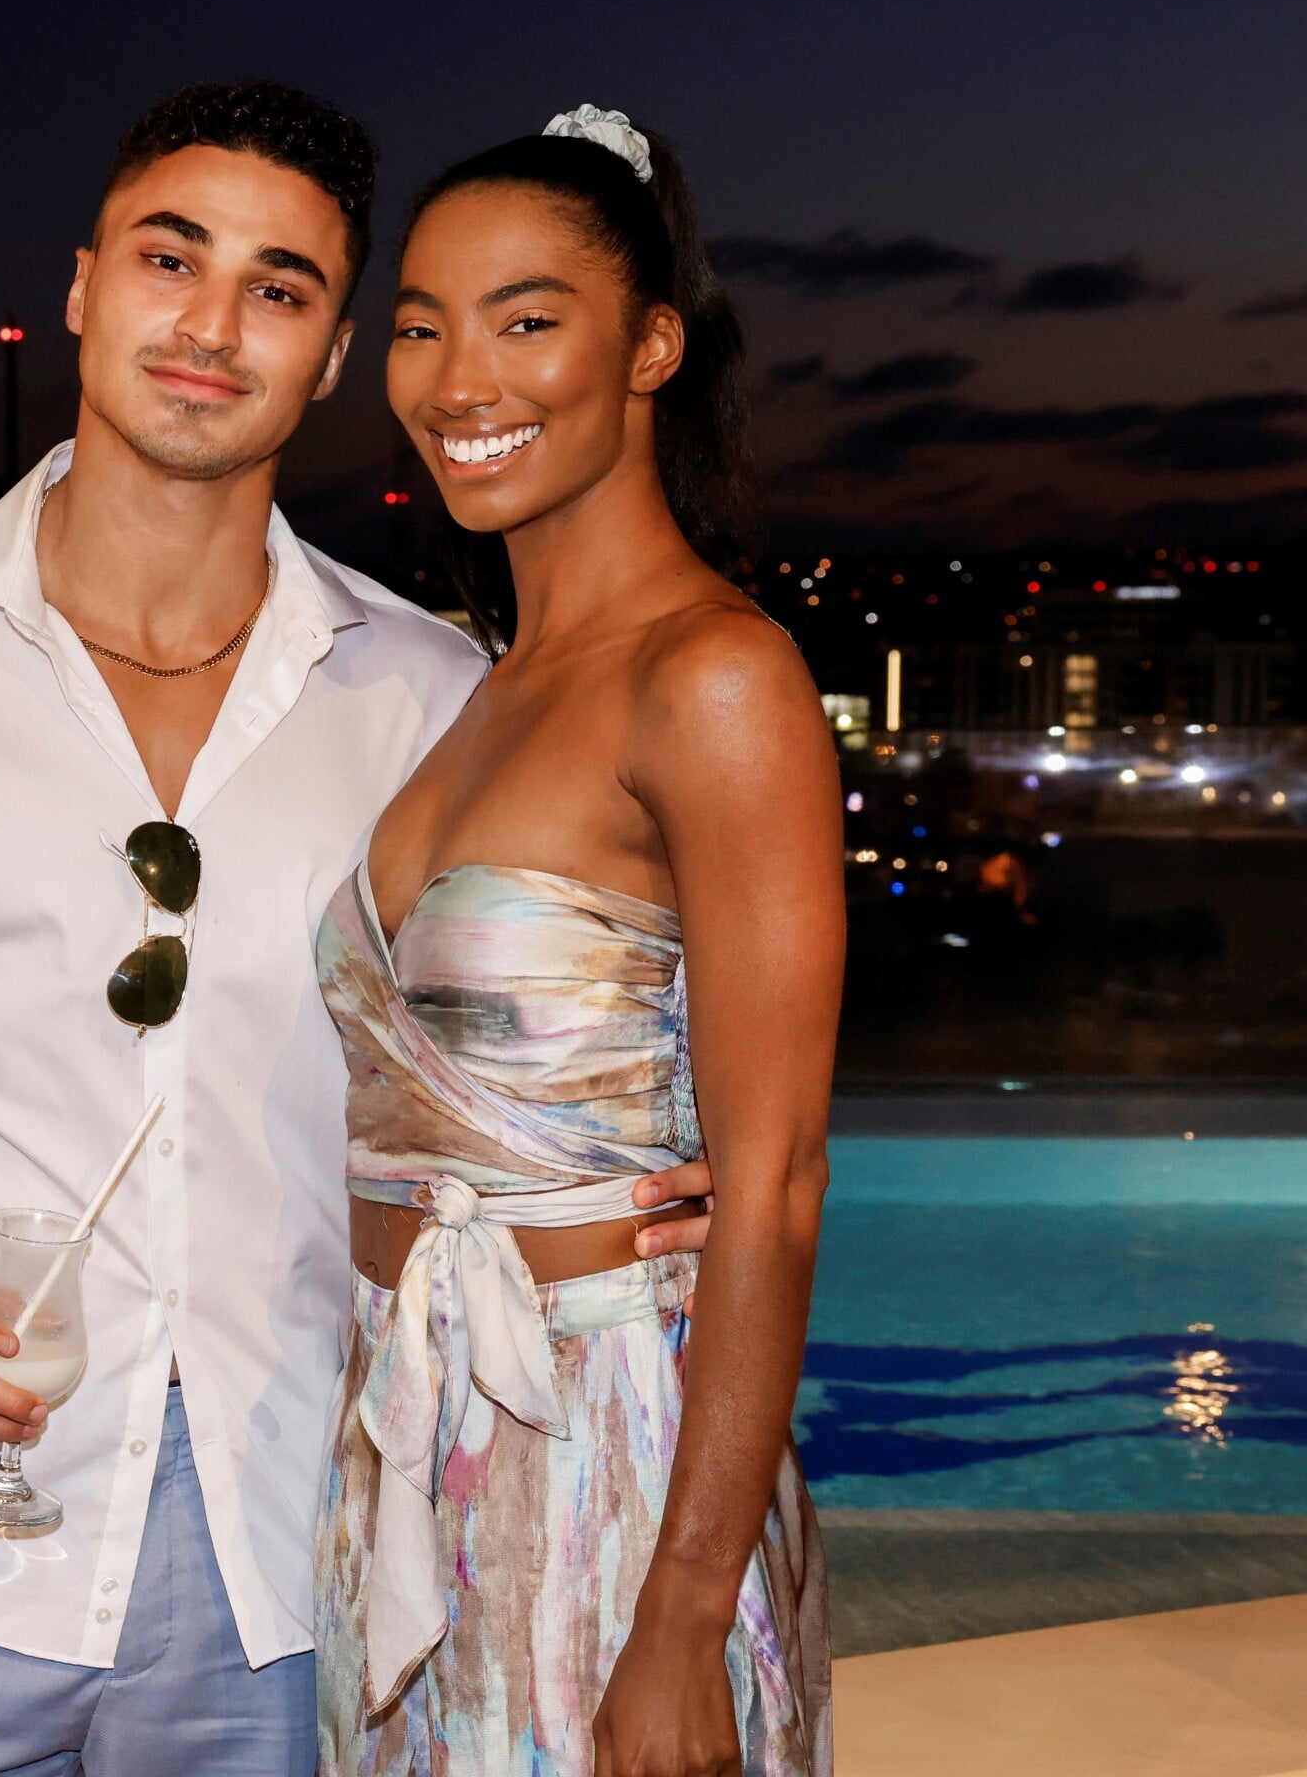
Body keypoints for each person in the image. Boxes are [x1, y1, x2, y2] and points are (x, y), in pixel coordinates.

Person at [0, 82, 724, 1776]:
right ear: (83, 287)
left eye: (279, 288)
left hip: (293, 1554)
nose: (209, 326)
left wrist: (620, 1205)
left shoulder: (431, 700)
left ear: (333, 356)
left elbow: (552, 1038)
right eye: (170, 259)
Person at [312, 108, 833, 1773]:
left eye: (526, 320)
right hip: (409, 1431)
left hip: (611, 1449)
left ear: (651, 347)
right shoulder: (480, 691)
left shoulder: (717, 679)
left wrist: (682, 1614)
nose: (461, 380)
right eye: (421, 326)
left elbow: (774, 1181)